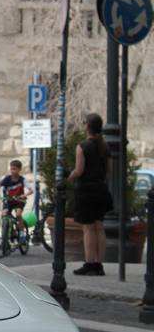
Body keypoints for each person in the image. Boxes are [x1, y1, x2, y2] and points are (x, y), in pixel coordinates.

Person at [67, 113, 113, 276]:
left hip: (85, 191)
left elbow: (79, 170)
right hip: (100, 190)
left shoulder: (82, 146)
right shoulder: (104, 146)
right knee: (99, 227)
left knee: (87, 229)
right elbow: (108, 171)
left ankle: (89, 262)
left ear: (87, 126)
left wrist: (69, 178)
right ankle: (99, 264)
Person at [0, 159, 33, 243]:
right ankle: (5, 233)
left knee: (18, 214)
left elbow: (31, 190)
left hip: (19, 201)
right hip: (8, 201)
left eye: (15, 169)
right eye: (11, 169)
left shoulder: (22, 180)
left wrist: (25, 195)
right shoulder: (6, 179)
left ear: (19, 170)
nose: (12, 171)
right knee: (4, 215)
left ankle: (21, 233)